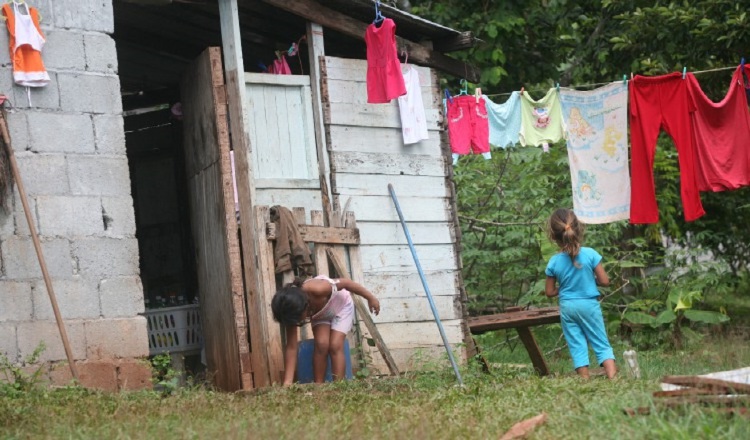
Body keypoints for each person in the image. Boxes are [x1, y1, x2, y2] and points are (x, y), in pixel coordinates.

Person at [544, 208, 617, 379]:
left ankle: (584, 380)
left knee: (577, 344)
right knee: (600, 341)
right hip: (589, 305)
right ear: (578, 229)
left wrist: (562, 288)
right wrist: (592, 280)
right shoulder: (590, 254)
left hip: (568, 307)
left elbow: (549, 292)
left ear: (553, 235)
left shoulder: (554, 261)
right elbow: (605, 281)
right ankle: (613, 378)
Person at [271, 275, 380, 386]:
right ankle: (319, 386)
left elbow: (347, 283)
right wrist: (287, 382)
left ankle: (339, 385)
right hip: (320, 314)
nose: (298, 322)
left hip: (341, 307)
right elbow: (291, 347)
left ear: (303, 306)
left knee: (335, 345)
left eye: (299, 319)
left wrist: (371, 298)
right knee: (321, 345)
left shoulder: (318, 289)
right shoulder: (291, 312)